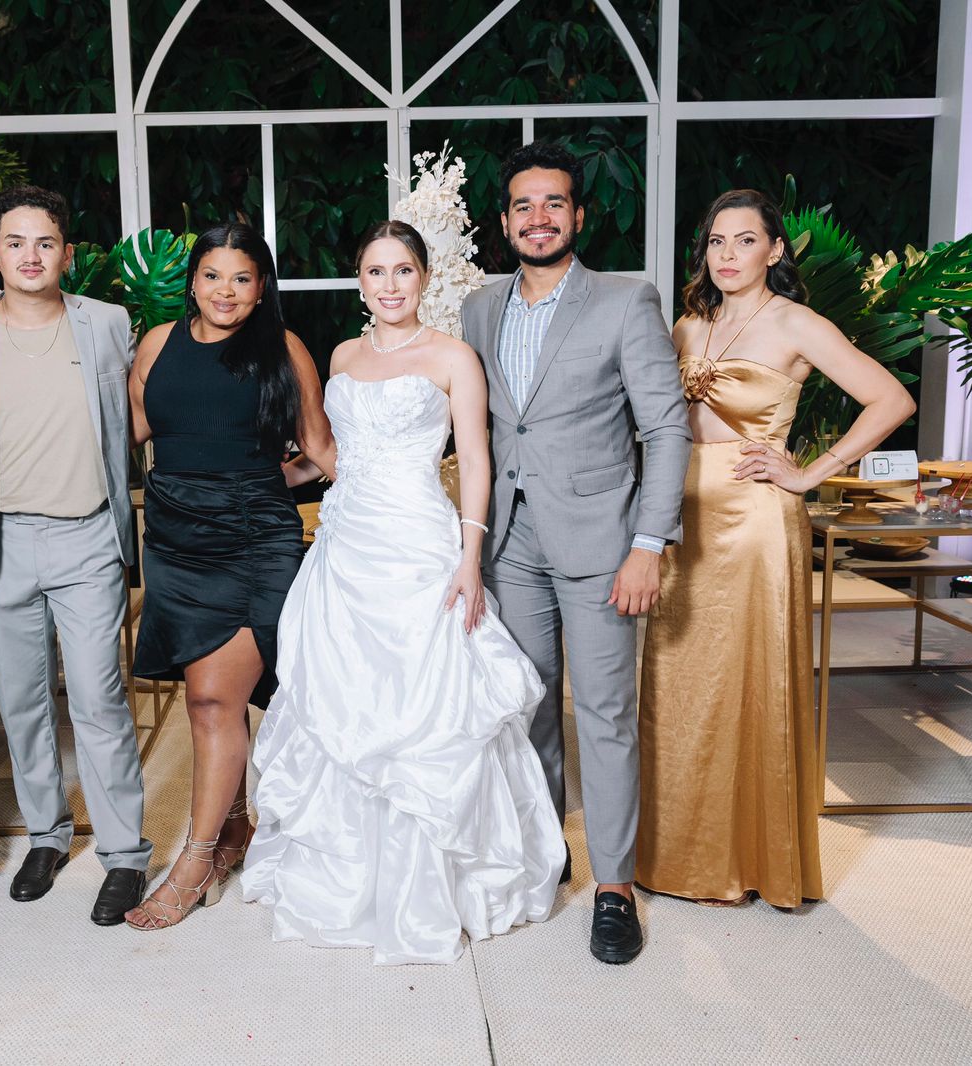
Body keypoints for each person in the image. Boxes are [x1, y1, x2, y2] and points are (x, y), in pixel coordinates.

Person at [240, 221, 566, 965]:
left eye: (403, 271)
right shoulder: (342, 356)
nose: (390, 285)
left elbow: (476, 460)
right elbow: (333, 456)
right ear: (360, 281)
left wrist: (470, 558)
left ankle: (439, 882)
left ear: (425, 277)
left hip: (420, 542)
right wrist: (263, 476)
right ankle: (348, 876)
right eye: (376, 271)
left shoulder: (453, 357)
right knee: (344, 696)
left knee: (429, 708)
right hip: (346, 546)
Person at [637, 188, 914, 908]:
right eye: (716, 241)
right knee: (677, 686)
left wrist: (811, 473)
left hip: (755, 518)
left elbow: (891, 399)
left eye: (745, 240)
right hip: (681, 514)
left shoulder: (796, 323)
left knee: (749, 680)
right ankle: (679, 856)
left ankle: (751, 861)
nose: (727, 255)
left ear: (775, 250)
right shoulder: (688, 325)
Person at [462, 141, 692, 966]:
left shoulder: (626, 301)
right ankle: (545, 851)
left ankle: (614, 887)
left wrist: (648, 545)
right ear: (504, 222)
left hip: (602, 540)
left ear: (578, 215)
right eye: (524, 205)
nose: (539, 218)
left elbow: (666, 428)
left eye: (554, 203)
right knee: (527, 705)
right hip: (510, 542)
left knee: (604, 714)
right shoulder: (479, 309)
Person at [0, 185, 153, 926]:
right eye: (16, 243)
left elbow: (137, 415)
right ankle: (47, 837)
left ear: (67, 253)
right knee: (22, 704)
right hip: (0, 541)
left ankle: (124, 854)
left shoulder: (107, 324)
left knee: (99, 699)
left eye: (46, 242)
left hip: (88, 537)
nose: (31, 255)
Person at [127, 221, 336, 929]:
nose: (226, 291)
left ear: (261, 286)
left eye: (242, 278)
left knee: (215, 701)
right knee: (208, 700)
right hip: (175, 539)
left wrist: (400, 510)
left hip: (252, 539)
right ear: (192, 282)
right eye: (213, 275)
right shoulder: (157, 344)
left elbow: (319, 447)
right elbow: (133, 429)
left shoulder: (284, 348)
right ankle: (236, 824)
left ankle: (196, 860)